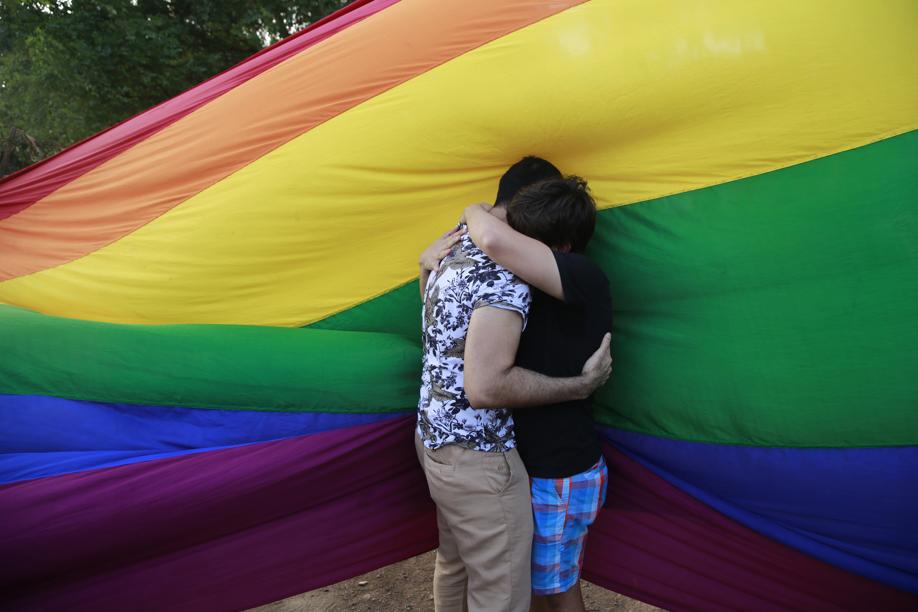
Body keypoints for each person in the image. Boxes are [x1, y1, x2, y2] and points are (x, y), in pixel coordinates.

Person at [415, 157, 612, 612]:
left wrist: (468, 216)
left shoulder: (461, 258)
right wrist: (579, 385)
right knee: (505, 587)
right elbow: (479, 375)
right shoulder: (503, 274)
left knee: (543, 587)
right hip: (488, 457)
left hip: (543, 465)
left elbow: (488, 244)